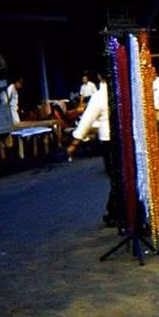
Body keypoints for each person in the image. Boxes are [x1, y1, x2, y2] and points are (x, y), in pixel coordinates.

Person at [66, 73, 122, 228]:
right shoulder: (121, 91)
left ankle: (115, 212)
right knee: (121, 178)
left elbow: (86, 121)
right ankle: (118, 212)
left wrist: (75, 142)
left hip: (108, 141)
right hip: (123, 139)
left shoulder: (99, 96)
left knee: (116, 179)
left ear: (99, 76)